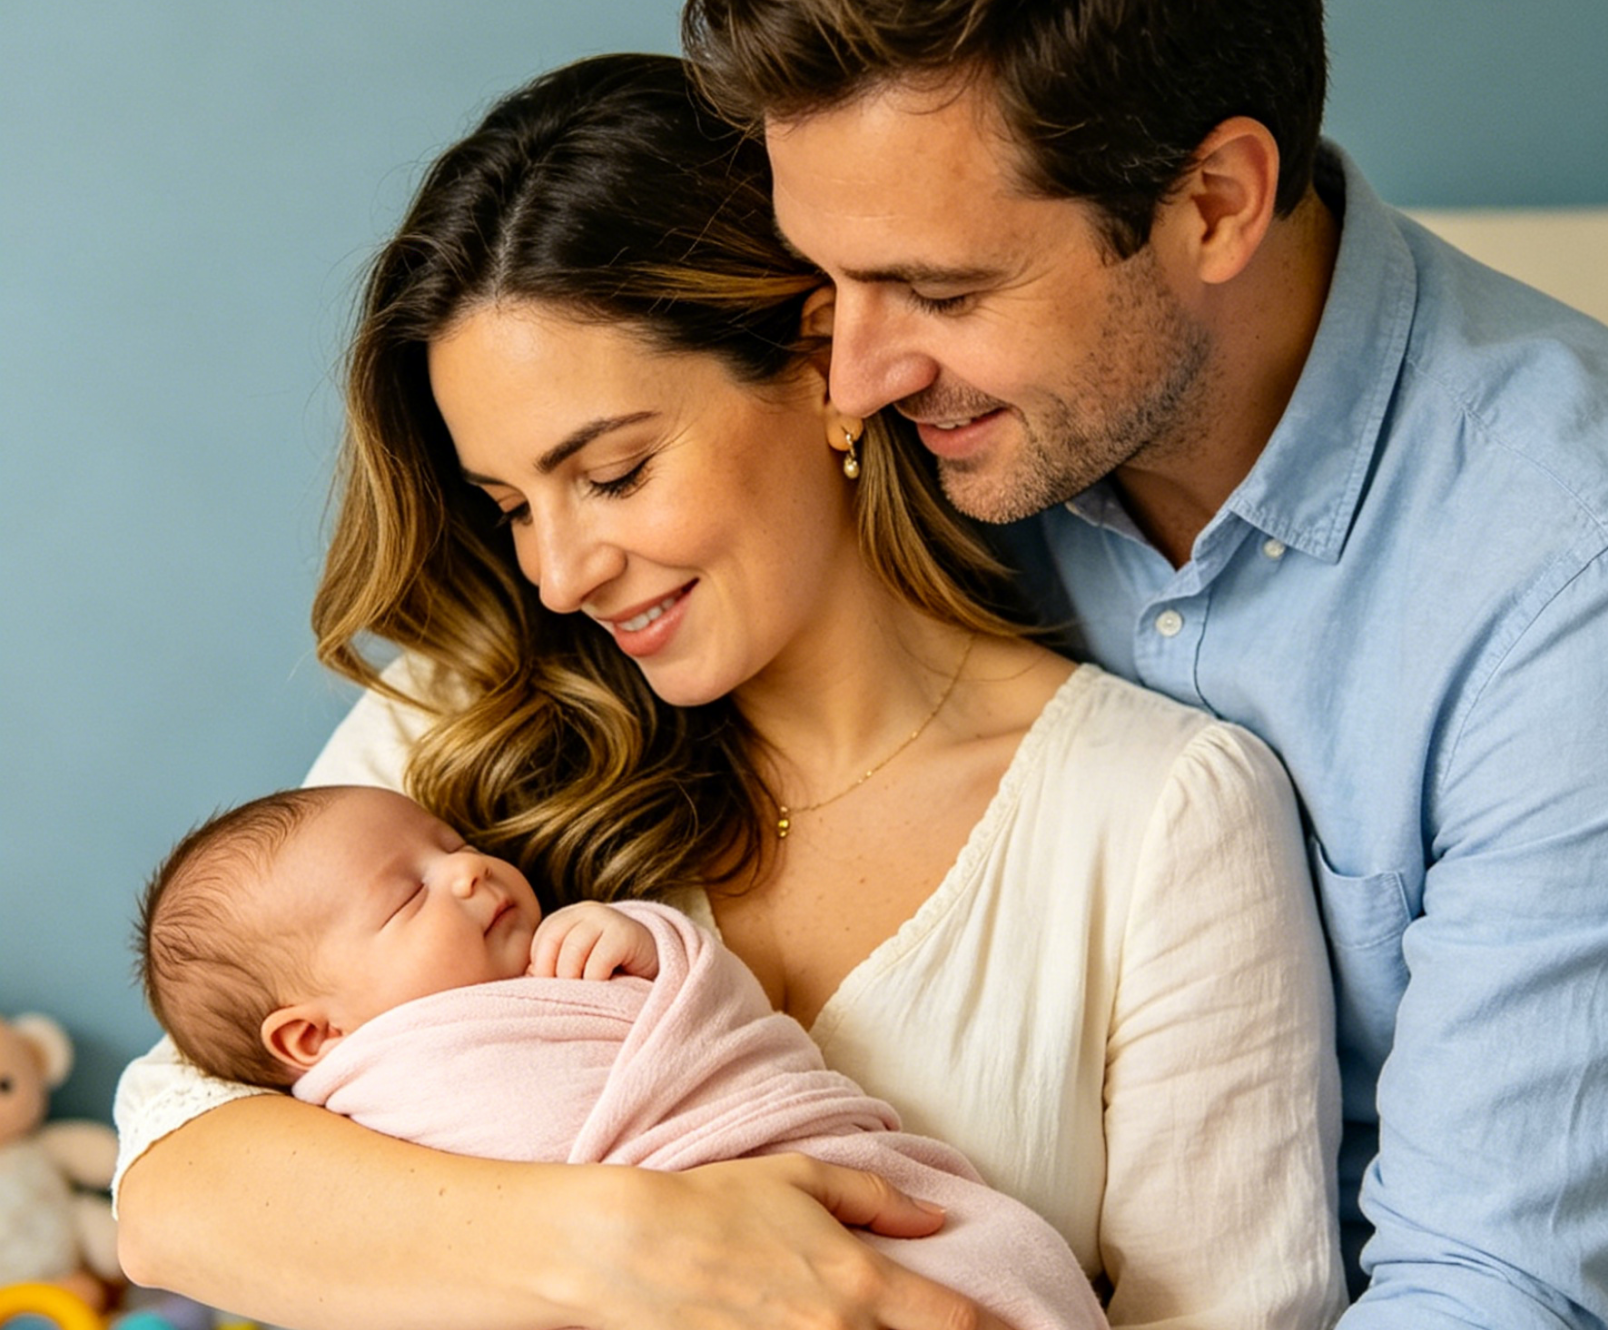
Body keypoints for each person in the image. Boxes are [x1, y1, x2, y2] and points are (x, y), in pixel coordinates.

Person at [113, 53, 1346, 1330]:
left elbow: (1234, 1312)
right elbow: (170, 1177)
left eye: (614, 473)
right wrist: (631, 1245)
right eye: (512, 506)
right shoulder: (472, 717)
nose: (559, 576)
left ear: (821, 364)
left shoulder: (1161, 813)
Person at [678, 1, 1608, 1325]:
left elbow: (1493, 1286)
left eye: (943, 292)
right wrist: (606, 1234)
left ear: (1215, 204)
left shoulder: (1562, 575)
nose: (858, 377)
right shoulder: (893, 441)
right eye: (825, 280)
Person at [136, 783, 1104, 1330]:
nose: (466, 869)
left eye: (451, 843)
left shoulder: (576, 955)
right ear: (313, 1037)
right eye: (408, 894)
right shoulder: (365, 1097)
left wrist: (649, 939)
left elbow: (717, 1023)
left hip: (852, 1205)